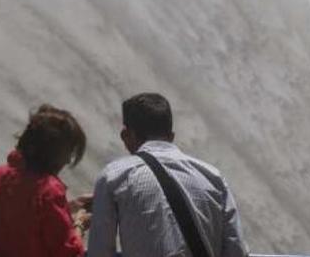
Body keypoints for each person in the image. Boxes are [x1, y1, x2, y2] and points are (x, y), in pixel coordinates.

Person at [86, 93, 248, 257]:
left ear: (125, 135)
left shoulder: (114, 177)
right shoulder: (213, 177)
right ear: (171, 136)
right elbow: (236, 251)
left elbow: (99, 252)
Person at [0, 104, 90, 257]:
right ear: (53, 153)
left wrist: (69, 208)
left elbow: (25, 223)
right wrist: (79, 224)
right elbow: (69, 253)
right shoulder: (49, 191)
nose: (68, 161)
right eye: (68, 153)